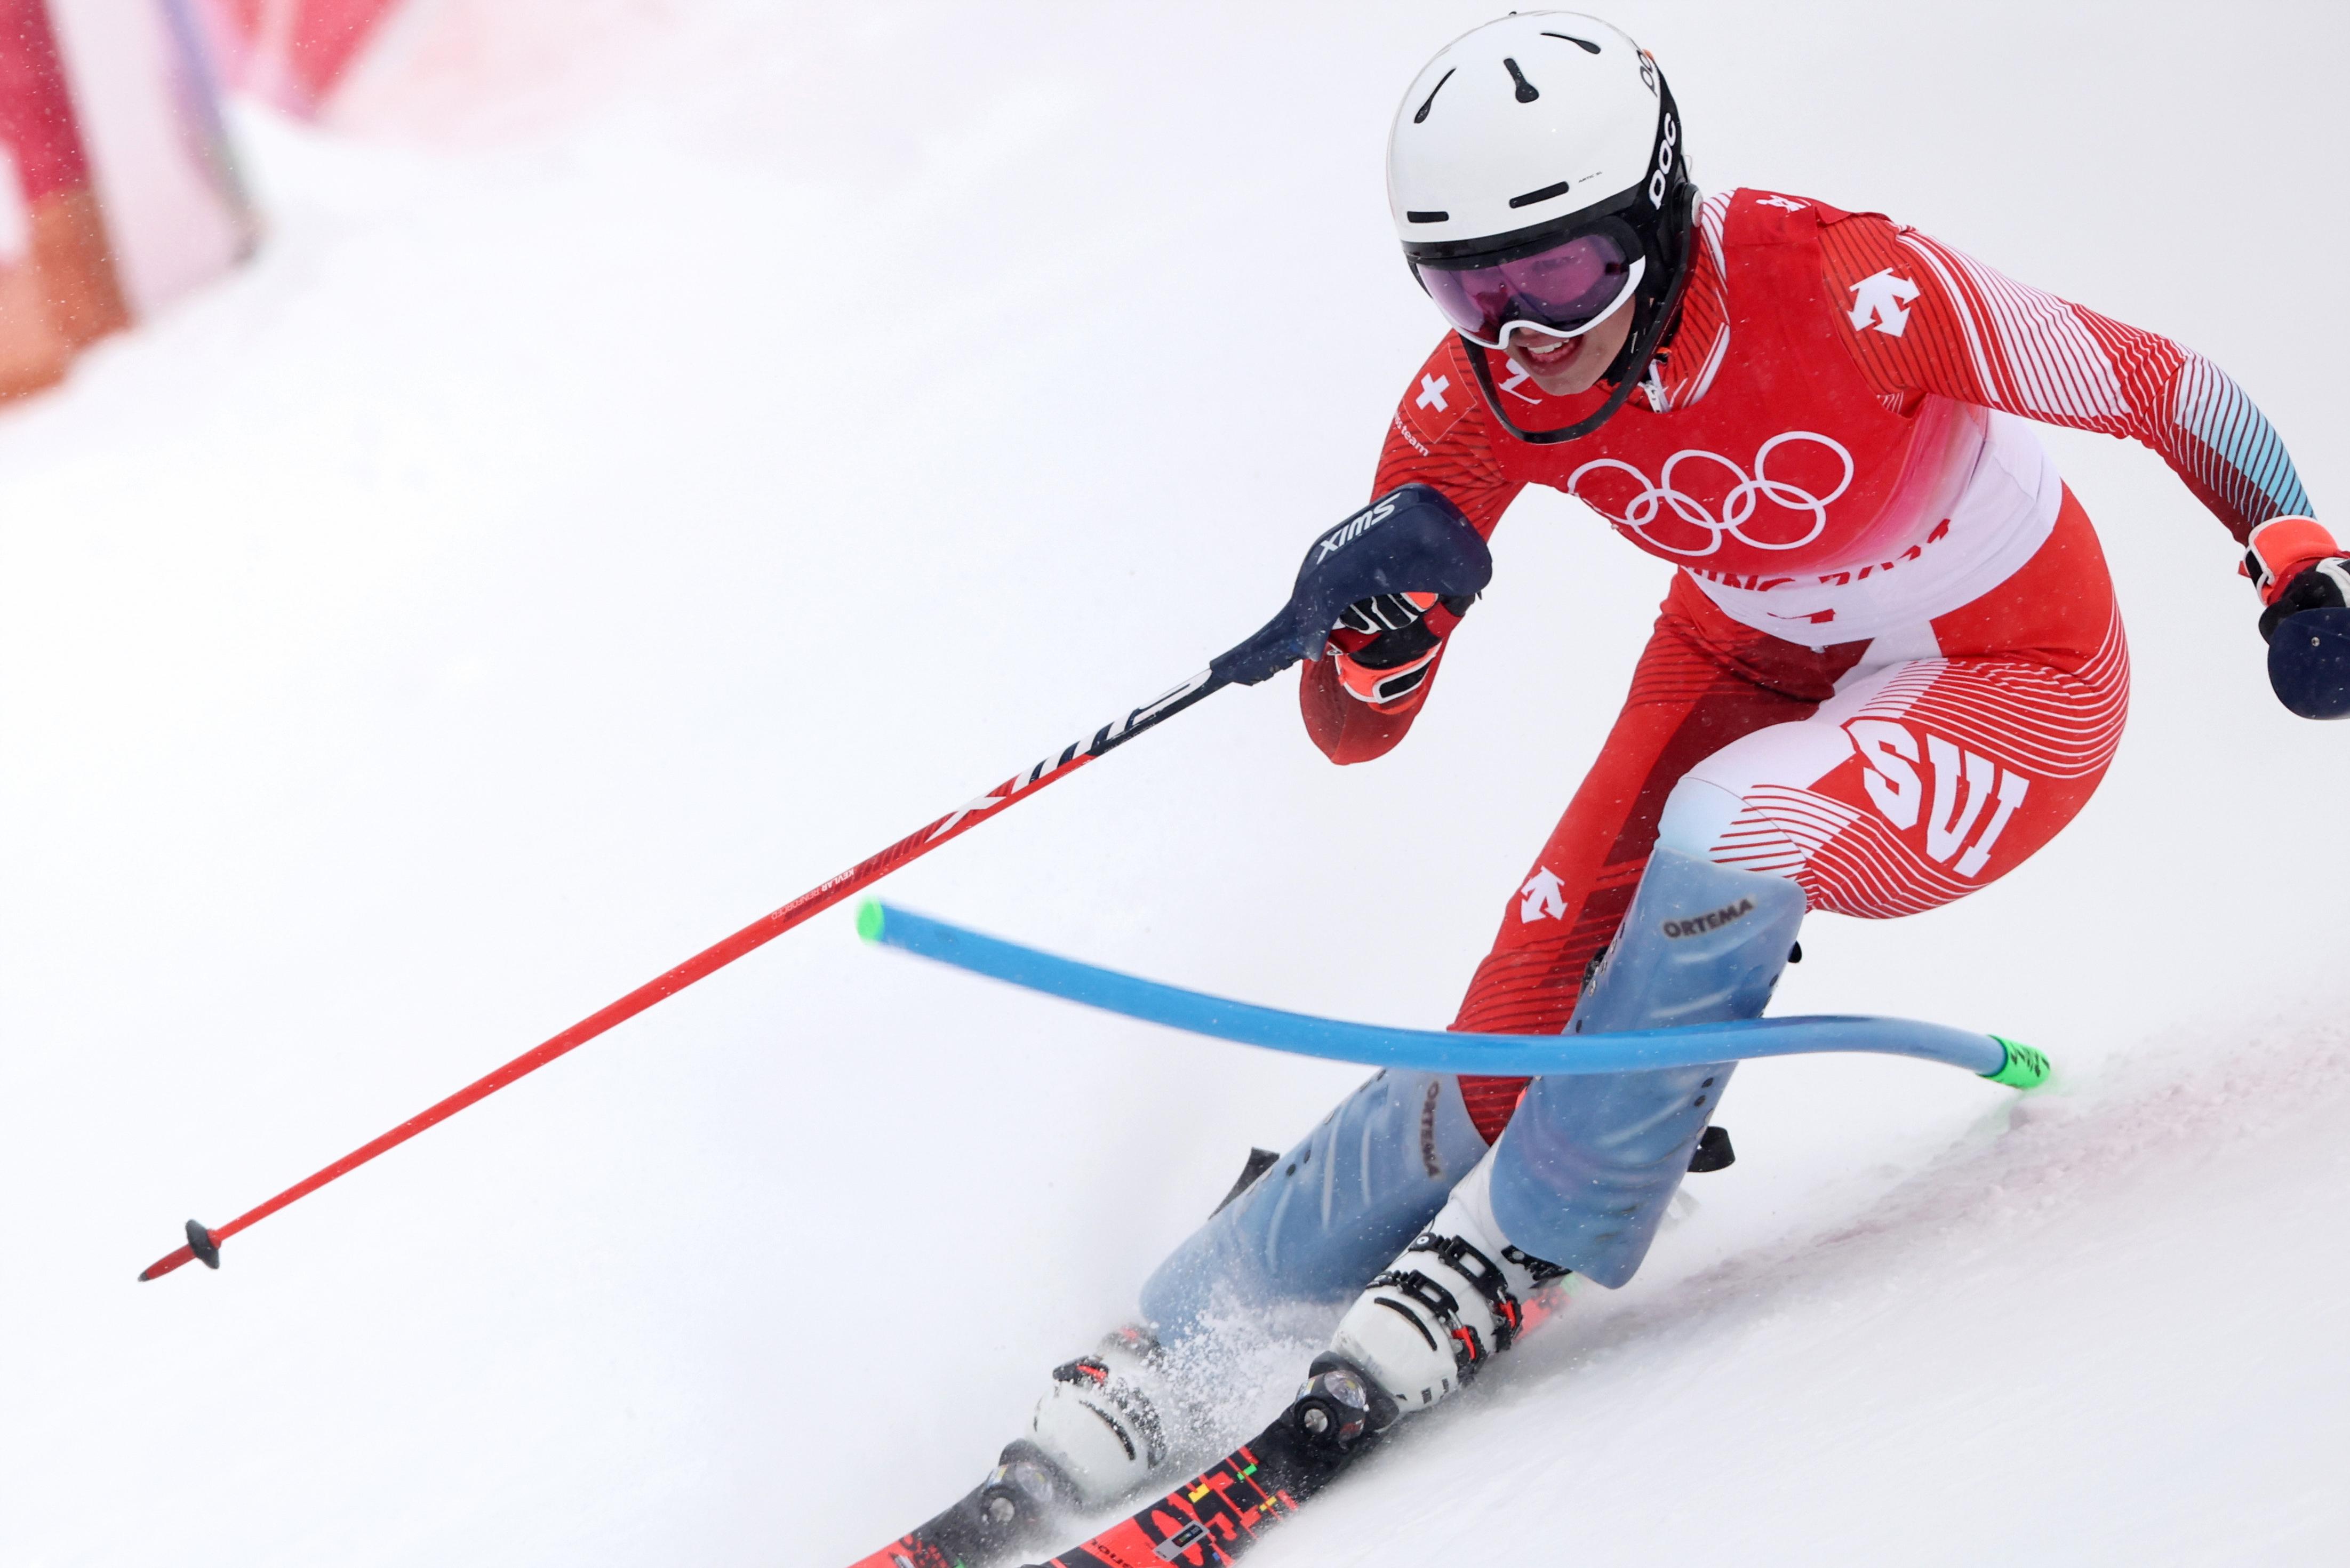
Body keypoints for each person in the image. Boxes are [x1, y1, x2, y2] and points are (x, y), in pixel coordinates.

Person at [856, 13, 2348, 1565]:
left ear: (1653, 214)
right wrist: (1377, 650)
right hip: (1756, 652)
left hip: (2015, 675)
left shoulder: (1853, 285)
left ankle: (1531, 1231)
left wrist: (2301, 561)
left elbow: (2169, 385)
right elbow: (1353, 733)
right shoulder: (1473, 402)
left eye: (1555, 275)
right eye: (1464, 287)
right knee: (1506, 1025)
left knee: (1732, 829)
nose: (1516, 332)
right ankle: (1205, 1318)